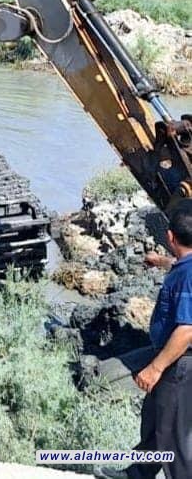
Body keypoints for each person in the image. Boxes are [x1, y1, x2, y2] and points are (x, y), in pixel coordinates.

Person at [95, 198, 192, 479]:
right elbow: (182, 264)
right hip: (175, 361)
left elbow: (187, 328)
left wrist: (155, 367)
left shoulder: (187, 277)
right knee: (156, 423)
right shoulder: (184, 267)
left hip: (179, 362)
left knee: (175, 435)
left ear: (170, 236)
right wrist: (162, 262)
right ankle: (137, 474)